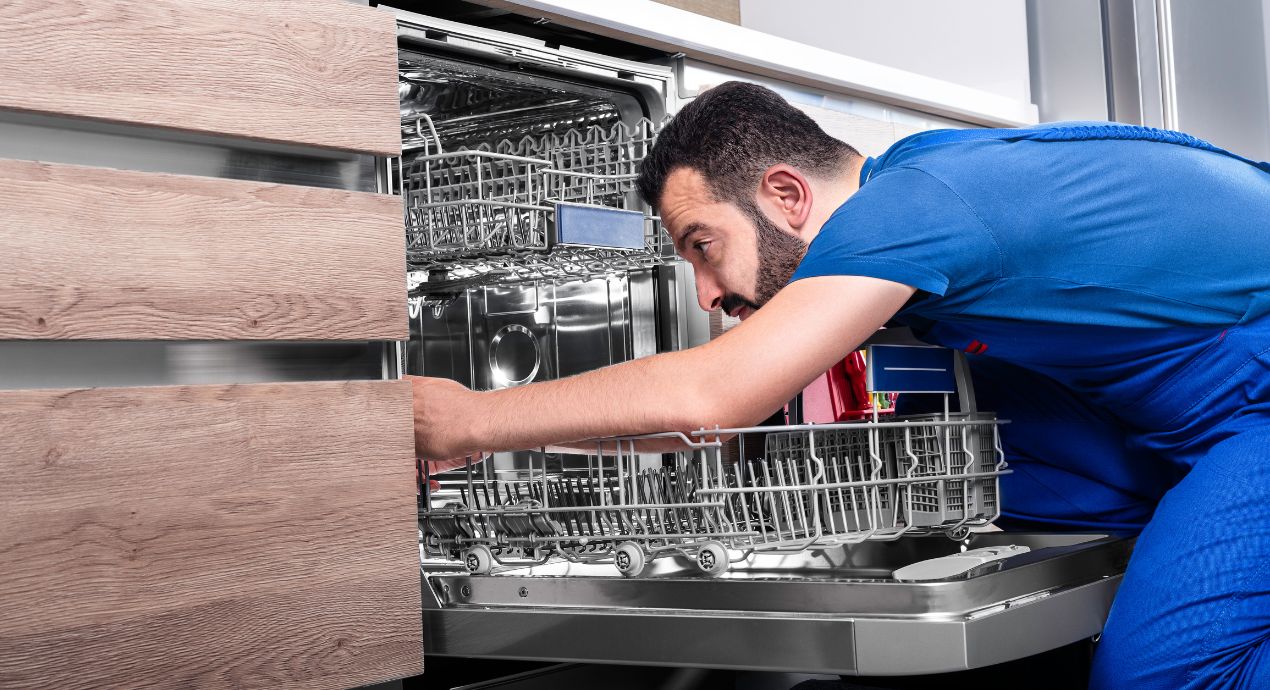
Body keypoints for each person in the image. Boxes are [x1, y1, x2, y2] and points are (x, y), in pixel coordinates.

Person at [410, 81, 1270, 689]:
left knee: (1165, 674)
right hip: (1192, 404)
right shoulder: (916, 186)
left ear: (786, 194)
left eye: (702, 244)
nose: (705, 294)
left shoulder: (911, 210)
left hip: (1254, 403)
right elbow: (704, 419)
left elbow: (713, 398)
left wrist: (473, 419)